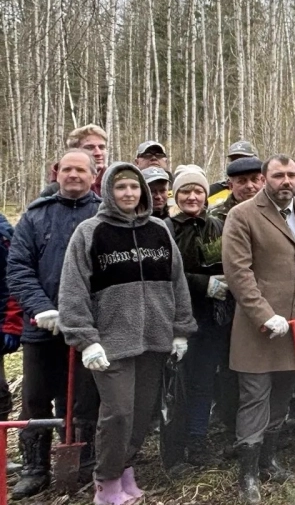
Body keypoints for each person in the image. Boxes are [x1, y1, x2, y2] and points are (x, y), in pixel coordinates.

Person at [58, 164, 196, 505]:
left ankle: (126, 472)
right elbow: (73, 290)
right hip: (110, 344)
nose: (129, 194)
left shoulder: (159, 230)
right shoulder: (90, 233)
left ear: (143, 193)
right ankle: (105, 484)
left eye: (134, 188)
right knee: (117, 412)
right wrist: (85, 339)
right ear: (108, 191)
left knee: (140, 412)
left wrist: (180, 330)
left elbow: (177, 283)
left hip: (155, 339)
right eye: (121, 188)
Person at [222, 155, 295, 504]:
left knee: (283, 397)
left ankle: (270, 459)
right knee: (255, 397)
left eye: (291, 175)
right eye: (278, 175)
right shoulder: (242, 216)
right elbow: (239, 274)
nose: (286, 181)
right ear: (265, 179)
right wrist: (263, 315)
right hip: (261, 330)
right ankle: (249, 474)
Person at [8, 149, 102, 500]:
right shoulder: (34, 217)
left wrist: (86, 314)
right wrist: (41, 308)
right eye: (68, 169)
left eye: (82, 169)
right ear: (56, 173)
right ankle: (35, 468)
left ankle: (85, 462)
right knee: (34, 398)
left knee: (86, 400)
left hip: (89, 328)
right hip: (41, 328)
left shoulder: (104, 216)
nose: (74, 175)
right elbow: (18, 268)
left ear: (94, 175)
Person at [164, 169, 230, 470]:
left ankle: (198, 440)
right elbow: (164, 271)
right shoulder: (164, 228)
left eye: (198, 191)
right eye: (185, 191)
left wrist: (225, 281)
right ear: (176, 195)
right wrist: (203, 284)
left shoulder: (216, 225)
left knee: (204, 382)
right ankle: (173, 449)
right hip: (175, 317)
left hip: (211, 317)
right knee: (176, 387)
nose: (192, 197)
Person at [40, 124, 109, 197]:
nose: (98, 153)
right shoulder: (54, 191)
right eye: (89, 148)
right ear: (74, 151)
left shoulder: (115, 184)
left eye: (102, 147)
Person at [208, 141, 259, 209]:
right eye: (234, 160)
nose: (239, 164)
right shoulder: (214, 191)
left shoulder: (269, 189)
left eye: (245, 159)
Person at [211, 157, 264, 222]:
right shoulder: (215, 217)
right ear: (231, 185)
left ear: (263, 181)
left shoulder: (274, 211)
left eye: (254, 179)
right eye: (242, 181)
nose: (249, 186)